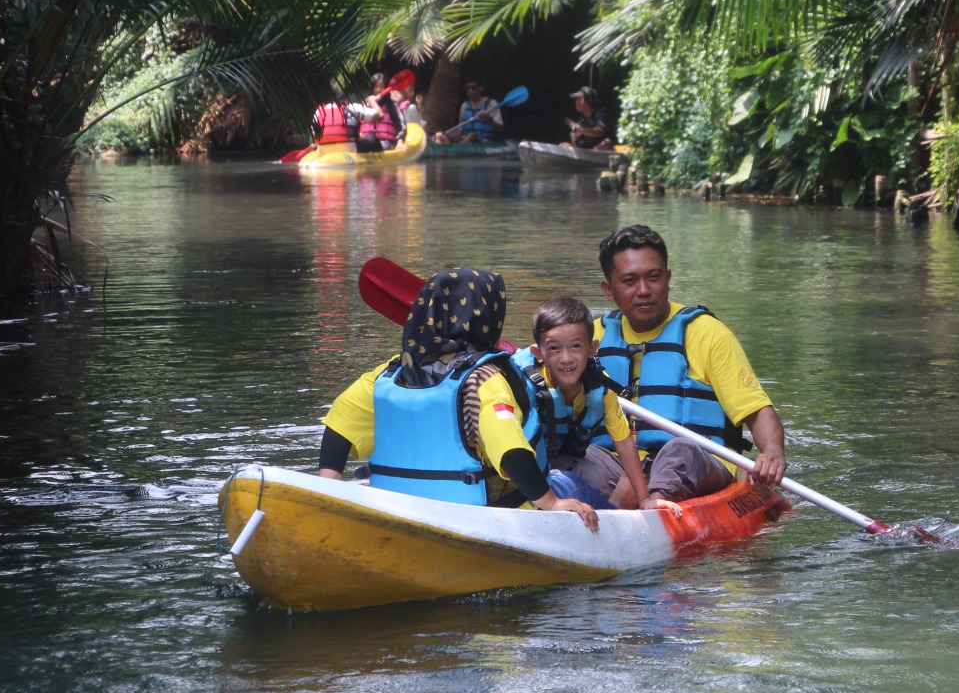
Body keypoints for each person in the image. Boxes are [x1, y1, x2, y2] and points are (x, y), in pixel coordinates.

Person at [316, 268, 602, 530]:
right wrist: (552, 503)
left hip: (398, 506)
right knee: (577, 486)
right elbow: (512, 451)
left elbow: (338, 428)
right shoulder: (486, 380)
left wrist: (330, 494)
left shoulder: (392, 373)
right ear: (490, 319)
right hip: (485, 516)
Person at [588, 224, 786, 502]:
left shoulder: (708, 333)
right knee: (578, 455)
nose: (644, 290)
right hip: (615, 464)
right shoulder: (587, 339)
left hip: (692, 463)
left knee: (678, 451)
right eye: (630, 281)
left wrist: (772, 452)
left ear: (668, 278)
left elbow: (756, 409)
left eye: (653, 277)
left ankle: (653, 508)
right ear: (609, 289)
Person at [511, 297, 653, 510]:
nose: (566, 358)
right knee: (579, 481)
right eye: (554, 348)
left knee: (596, 477)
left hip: (561, 458)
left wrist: (645, 500)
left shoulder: (601, 387)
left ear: (592, 348)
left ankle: (605, 509)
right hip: (526, 466)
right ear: (538, 353)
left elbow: (624, 443)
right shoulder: (522, 386)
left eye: (576, 346)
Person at [346, 78, 405, 152]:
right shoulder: (363, 106)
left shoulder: (391, 106)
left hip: (386, 144)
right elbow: (354, 126)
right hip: (367, 143)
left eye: (382, 87)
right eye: (376, 87)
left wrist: (400, 142)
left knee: (377, 142)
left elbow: (401, 126)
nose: (379, 90)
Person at [436, 81, 504, 144]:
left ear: (480, 88)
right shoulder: (464, 105)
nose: (470, 91)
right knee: (440, 134)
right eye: (468, 88)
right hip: (466, 138)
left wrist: (488, 118)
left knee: (471, 135)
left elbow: (500, 129)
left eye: (473, 88)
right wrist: (447, 135)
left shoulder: (491, 104)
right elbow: (460, 130)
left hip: (485, 141)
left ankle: (458, 150)